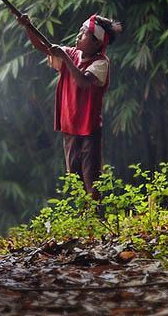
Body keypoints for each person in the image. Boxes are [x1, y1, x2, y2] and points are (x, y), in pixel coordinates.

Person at [20, 13, 123, 200]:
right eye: (80, 31)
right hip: (70, 127)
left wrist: (65, 58)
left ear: (96, 43)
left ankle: (96, 220)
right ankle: (83, 221)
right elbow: (43, 47)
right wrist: (28, 27)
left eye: (83, 34)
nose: (78, 36)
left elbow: (83, 81)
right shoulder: (72, 53)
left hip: (89, 129)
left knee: (91, 178)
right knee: (75, 177)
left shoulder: (101, 63)